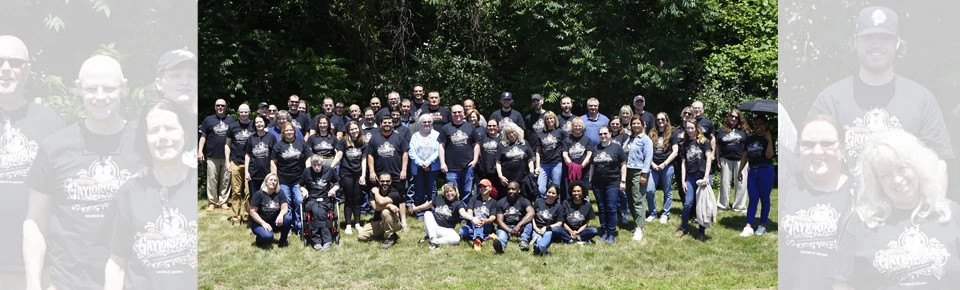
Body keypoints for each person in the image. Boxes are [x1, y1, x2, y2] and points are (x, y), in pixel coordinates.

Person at [24, 55, 138, 290]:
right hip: (68, 281)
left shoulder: (143, 144)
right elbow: (35, 221)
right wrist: (33, 284)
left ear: (124, 88)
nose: (99, 96)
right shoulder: (54, 147)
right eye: (91, 88)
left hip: (130, 281)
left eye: (108, 88)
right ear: (78, 89)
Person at [810, 6, 953, 184]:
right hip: (845, 208)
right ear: (855, 42)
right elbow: (809, 158)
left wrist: (932, 209)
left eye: (885, 38)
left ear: (897, 43)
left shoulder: (922, 100)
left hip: (904, 208)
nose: (876, 45)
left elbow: (938, 165)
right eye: (868, 38)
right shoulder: (830, 100)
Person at [831, 131, 960, 289]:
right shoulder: (862, 222)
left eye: (902, 168)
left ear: (918, 166)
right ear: (877, 182)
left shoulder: (951, 215)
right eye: (885, 175)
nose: (897, 179)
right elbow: (842, 283)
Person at [104, 101, 197, 289]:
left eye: (170, 128)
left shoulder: (198, 188)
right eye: (154, 130)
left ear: (185, 133)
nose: (162, 136)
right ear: (144, 138)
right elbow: (117, 262)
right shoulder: (128, 193)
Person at [0, 35, 64, 287]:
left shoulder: (50, 123)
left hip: (36, 268)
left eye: (14, 62)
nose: (5, 68)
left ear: (27, 69)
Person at [779, 115, 852, 289]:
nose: (817, 151)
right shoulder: (786, 189)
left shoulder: (859, 195)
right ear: (799, 148)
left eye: (827, 143)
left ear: (841, 149)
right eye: (808, 144)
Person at [270, 122, 312, 234]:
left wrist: (307, 173)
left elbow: (308, 158)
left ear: (294, 131)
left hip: (298, 179)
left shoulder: (301, 142)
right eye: (287, 130)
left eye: (291, 130)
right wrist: (274, 177)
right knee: (286, 203)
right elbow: (273, 162)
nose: (289, 132)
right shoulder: (279, 145)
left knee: (298, 201)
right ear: (283, 132)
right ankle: (287, 227)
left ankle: (299, 226)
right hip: (283, 179)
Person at [676, 119, 714, 242]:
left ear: (696, 128)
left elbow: (709, 159)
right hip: (690, 178)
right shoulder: (683, 145)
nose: (690, 130)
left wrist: (706, 177)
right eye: (688, 128)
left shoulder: (704, 142)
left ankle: (701, 231)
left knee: (702, 205)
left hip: (703, 176)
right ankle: (683, 228)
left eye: (692, 128)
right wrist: (683, 181)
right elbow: (683, 164)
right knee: (687, 203)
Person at [737, 116, 775, 236]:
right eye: (756, 125)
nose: (758, 127)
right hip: (753, 171)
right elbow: (745, 155)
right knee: (753, 198)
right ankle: (748, 226)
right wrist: (740, 171)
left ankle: (762, 225)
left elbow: (769, 156)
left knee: (764, 199)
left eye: (761, 124)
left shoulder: (768, 138)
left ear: (766, 125)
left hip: (766, 171)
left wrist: (769, 141)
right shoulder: (750, 139)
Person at [588, 126, 627, 243]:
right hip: (598, 183)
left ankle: (611, 233)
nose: (603, 136)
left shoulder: (617, 148)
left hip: (613, 182)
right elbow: (592, 166)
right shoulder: (595, 149)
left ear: (610, 134)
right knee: (601, 207)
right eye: (600, 134)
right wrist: (590, 181)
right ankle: (604, 232)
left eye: (605, 133)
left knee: (611, 207)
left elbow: (623, 164)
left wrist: (623, 181)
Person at [332, 121, 367, 235]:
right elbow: (339, 155)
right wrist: (331, 167)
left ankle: (357, 223)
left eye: (356, 129)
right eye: (351, 129)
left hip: (358, 174)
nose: (354, 131)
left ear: (359, 129)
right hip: (346, 173)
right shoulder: (343, 141)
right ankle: (348, 224)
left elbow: (364, 159)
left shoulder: (362, 142)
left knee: (357, 199)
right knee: (349, 198)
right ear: (348, 131)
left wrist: (363, 175)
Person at [408, 183, 469, 250]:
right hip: (433, 228)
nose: (449, 193)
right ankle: (433, 238)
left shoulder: (458, 203)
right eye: (447, 192)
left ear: (455, 191)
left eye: (451, 191)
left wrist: (472, 218)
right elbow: (428, 205)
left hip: (448, 229)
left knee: (456, 239)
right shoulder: (439, 197)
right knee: (427, 213)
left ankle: (433, 240)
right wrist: (415, 208)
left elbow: (463, 213)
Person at [200, 98, 235, 211]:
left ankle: (223, 201)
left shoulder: (231, 120)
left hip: (227, 157)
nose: (220, 107)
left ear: (226, 107)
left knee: (226, 180)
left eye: (222, 106)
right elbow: (203, 136)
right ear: (215, 107)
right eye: (218, 105)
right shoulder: (208, 120)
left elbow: (235, 138)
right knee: (212, 180)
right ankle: (212, 202)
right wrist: (200, 151)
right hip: (212, 155)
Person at [299, 155, 340, 250]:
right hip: (311, 199)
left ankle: (324, 240)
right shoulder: (307, 172)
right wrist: (304, 190)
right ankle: (319, 240)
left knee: (320, 213)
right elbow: (301, 185)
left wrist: (333, 189)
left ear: (322, 164)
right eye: (314, 165)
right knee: (317, 212)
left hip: (325, 198)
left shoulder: (329, 170)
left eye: (319, 165)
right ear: (311, 164)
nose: (317, 167)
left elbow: (337, 183)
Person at [440, 105, 479, 202]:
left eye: (459, 112)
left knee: (467, 190)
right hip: (451, 167)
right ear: (451, 114)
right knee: (451, 191)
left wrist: (475, 160)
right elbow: (441, 146)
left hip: (468, 165)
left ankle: (465, 211)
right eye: (454, 112)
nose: (457, 114)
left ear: (463, 113)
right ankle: (454, 211)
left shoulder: (470, 127)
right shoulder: (446, 128)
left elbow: (477, 144)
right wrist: (442, 163)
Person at [646, 112, 679, 224]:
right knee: (649, 190)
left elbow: (675, 151)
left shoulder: (672, 133)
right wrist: (652, 164)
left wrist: (665, 163)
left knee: (667, 190)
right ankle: (653, 213)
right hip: (653, 165)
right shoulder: (651, 133)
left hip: (667, 166)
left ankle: (665, 214)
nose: (660, 121)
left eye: (662, 119)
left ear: (666, 121)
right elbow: (646, 151)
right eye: (658, 119)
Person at [358, 173, 407, 249]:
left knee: (385, 212)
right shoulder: (372, 191)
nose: (385, 183)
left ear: (391, 181)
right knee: (361, 237)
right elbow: (375, 207)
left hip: (394, 222)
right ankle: (389, 234)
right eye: (382, 181)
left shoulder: (394, 192)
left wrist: (377, 193)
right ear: (379, 181)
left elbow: (381, 202)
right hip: (380, 222)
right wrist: (390, 205)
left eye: (387, 181)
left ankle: (389, 238)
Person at [243, 115, 276, 226]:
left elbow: (274, 157)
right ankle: (255, 223)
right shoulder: (251, 138)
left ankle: (268, 222)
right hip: (253, 174)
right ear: (254, 124)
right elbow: (247, 155)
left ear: (265, 123)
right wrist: (246, 171)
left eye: (261, 122)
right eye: (257, 122)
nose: (259, 124)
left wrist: (273, 174)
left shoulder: (271, 137)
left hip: (266, 175)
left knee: (267, 199)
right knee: (254, 199)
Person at [624, 115, 653, 241]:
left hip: (639, 171)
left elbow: (648, 158)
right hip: (627, 171)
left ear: (642, 125)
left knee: (638, 199)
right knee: (630, 198)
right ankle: (637, 224)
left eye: (637, 123)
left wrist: (644, 175)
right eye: (633, 123)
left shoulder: (645, 139)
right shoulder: (629, 139)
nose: (635, 125)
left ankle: (640, 228)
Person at [366, 115, 409, 197]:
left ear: (393, 124)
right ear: (380, 124)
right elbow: (370, 155)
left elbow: (405, 153)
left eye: (389, 122)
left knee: (400, 197)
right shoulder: (374, 138)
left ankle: (399, 210)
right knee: (379, 196)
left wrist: (404, 170)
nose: (387, 124)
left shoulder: (399, 137)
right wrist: (372, 171)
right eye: (385, 123)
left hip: (396, 174)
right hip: (380, 174)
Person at [409, 115, 442, 219]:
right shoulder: (415, 136)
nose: (427, 124)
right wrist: (421, 163)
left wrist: (428, 162)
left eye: (429, 122)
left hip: (433, 167)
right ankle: (420, 212)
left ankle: (432, 211)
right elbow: (411, 151)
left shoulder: (436, 135)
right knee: (419, 190)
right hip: (418, 167)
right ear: (420, 123)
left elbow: (439, 150)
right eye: (424, 122)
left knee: (432, 190)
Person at [226, 104, 255, 224]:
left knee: (248, 193)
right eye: (241, 112)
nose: (243, 114)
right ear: (238, 112)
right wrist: (228, 162)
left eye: (246, 112)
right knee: (236, 192)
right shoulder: (232, 127)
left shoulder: (254, 126)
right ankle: (236, 218)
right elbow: (227, 145)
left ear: (249, 112)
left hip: (251, 164)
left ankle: (247, 217)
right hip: (236, 162)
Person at [717, 109, 750, 212]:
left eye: (736, 117)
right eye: (732, 116)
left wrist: (750, 161)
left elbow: (750, 146)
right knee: (724, 183)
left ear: (739, 119)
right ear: (729, 116)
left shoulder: (745, 130)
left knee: (741, 183)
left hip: (741, 160)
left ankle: (739, 206)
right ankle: (723, 205)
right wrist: (718, 160)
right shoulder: (722, 130)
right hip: (726, 159)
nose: (733, 118)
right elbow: (718, 146)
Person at [248, 173, 292, 248]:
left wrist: (281, 215)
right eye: (271, 180)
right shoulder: (259, 194)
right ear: (266, 182)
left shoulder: (280, 193)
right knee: (267, 237)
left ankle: (282, 242)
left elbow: (285, 208)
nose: (273, 182)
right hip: (259, 223)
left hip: (275, 222)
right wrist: (263, 223)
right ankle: (260, 238)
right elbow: (252, 212)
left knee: (288, 218)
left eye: (275, 180)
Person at [495, 122, 536, 200]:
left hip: (523, 178)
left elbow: (530, 159)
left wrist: (531, 172)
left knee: (524, 198)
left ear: (517, 132)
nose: (511, 135)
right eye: (508, 133)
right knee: (507, 199)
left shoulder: (524, 143)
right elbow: (498, 162)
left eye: (512, 132)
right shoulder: (502, 145)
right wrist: (500, 176)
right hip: (507, 179)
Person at [492, 181, 535, 253]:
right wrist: (510, 231)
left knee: (529, 223)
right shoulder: (501, 202)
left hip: (520, 227)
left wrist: (519, 225)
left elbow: (531, 213)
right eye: (509, 189)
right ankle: (501, 246)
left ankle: (523, 241)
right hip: (506, 226)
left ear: (519, 190)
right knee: (501, 234)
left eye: (513, 189)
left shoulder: (524, 201)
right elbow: (499, 221)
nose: (510, 191)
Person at [460, 179, 499, 251]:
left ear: (490, 188)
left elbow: (493, 217)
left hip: (486, 225)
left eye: (485, 186)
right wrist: (473, 220)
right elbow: (469, 211)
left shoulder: (494, 202)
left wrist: (485, 220)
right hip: (473, 224)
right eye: (480, 187)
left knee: (480, 214)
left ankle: (477, 240)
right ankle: (487, 236)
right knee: (462, 232)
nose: (482, 188)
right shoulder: (474, 198)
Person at [534, 111, 565, 198]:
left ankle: (556, 208)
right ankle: (544, 206)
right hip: (544, 164)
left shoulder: (560, 132)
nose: (549, 120)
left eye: (551, 118)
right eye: (547, 119)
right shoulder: (540, 134)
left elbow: (564, 148)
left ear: (555, 119)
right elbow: (537, 151)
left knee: (556, 187)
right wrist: (537, 166)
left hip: (557, 163)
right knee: (541, 188)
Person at [562, 117, 594, 195]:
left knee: (585, 194)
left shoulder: (587, 139)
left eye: (579, 125)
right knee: (570, 194)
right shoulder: (567, 140)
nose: (577, 127)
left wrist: (581, 166)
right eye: (575, 126)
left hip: (584, 171)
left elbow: (589, 154)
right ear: (572, 127)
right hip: (570, 172)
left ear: (582, 126)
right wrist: (572, 166)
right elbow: (564, 154)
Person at [531, 184, 563, 255]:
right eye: (549, 192)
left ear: (557, 195)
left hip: (548, 229)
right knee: (537, 237)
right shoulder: (538, 201)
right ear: (546, 192)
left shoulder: (559, 207)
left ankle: (539, 248)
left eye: (553, 193)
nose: (550, 195)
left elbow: (559, 223)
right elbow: (532, 215)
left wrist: (546, 228)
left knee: (548, 234)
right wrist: (535, 228)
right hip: (536, 228)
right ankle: (543, 250)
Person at [477, 119, 505, 197]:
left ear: (498, 127)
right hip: (485, 171)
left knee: (499, 192)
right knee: (487, 192)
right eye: (489, 126)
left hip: (499, 171)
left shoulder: (503, 139)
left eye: (494, 126)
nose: (491, 128)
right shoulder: (482, 138)